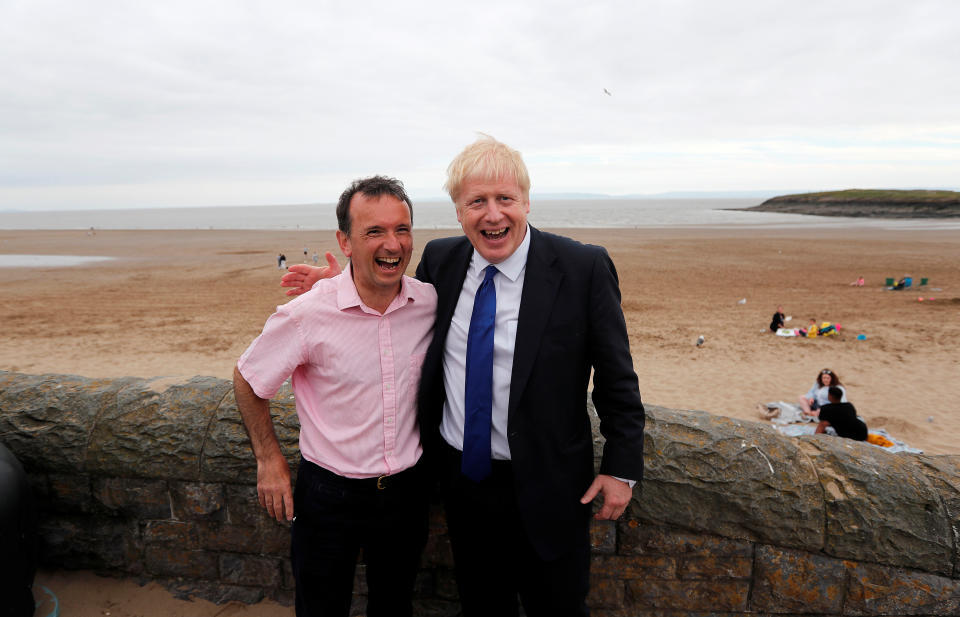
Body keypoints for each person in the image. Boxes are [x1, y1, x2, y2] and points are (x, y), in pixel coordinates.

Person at [282, 136, 645, 616]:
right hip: (465, 482)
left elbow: (617, 378)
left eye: (504, 199)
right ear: (459, 211)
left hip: (551, 482)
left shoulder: (582, 267)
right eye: (477, 202)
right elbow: (393, 297)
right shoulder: (443, 260)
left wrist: (620, 469)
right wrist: (338, 283)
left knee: (556, 605)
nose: (492, 215)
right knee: (481, 603)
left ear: (526, 202)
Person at [234, 176, 436, 617]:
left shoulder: (430, 303)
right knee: (321, 607)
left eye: (402, 229)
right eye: (374, 232)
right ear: (345, 241)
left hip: (406, 493)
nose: (393, 243)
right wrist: (268, 459)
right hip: (328, 496)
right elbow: (249, 379)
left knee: (395, 605)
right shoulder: (306, 314)